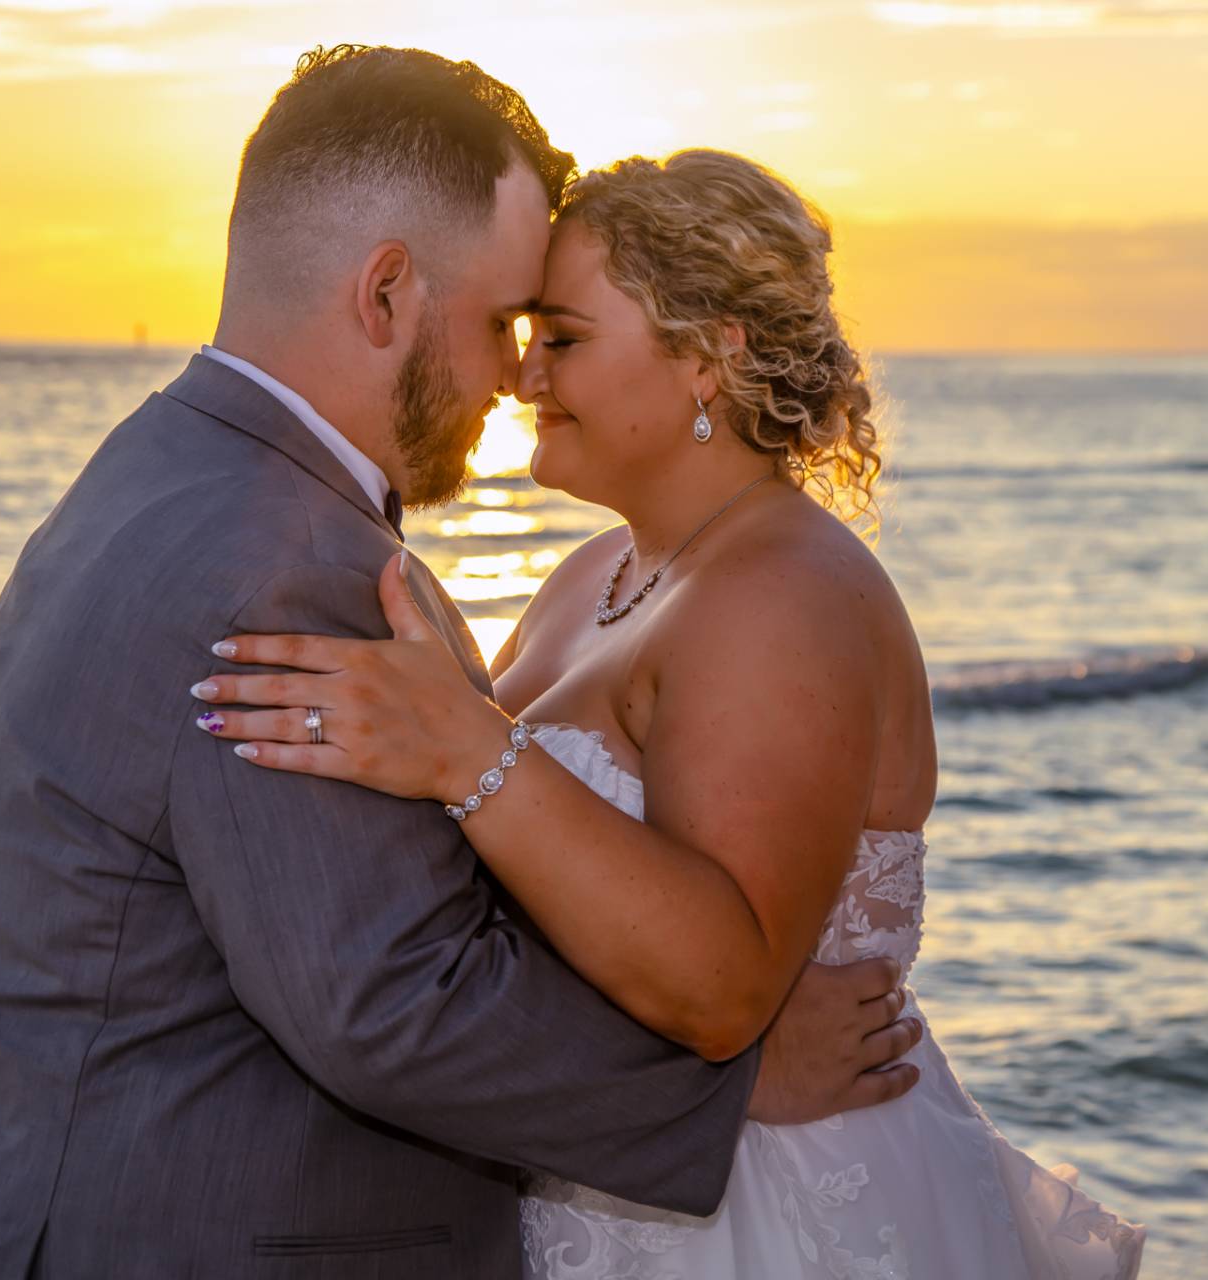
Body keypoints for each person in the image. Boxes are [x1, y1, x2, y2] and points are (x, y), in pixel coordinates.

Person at [0, 49, 921, 1279]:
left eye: (553, 334)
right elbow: (389, 1001)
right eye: (503, 324)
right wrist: (734, 1086)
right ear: (386, 293)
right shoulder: (284, 563)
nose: (514, 373)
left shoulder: (160, 475)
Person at [189, 148, 1150, 1278]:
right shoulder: (589, 576)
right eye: (529, 336)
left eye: (565, 338)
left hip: (766, 1214)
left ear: (709, 356)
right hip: (617, 1174)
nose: (523, 374)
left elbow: (724, 984)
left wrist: (468, 747)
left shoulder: (786, 595)